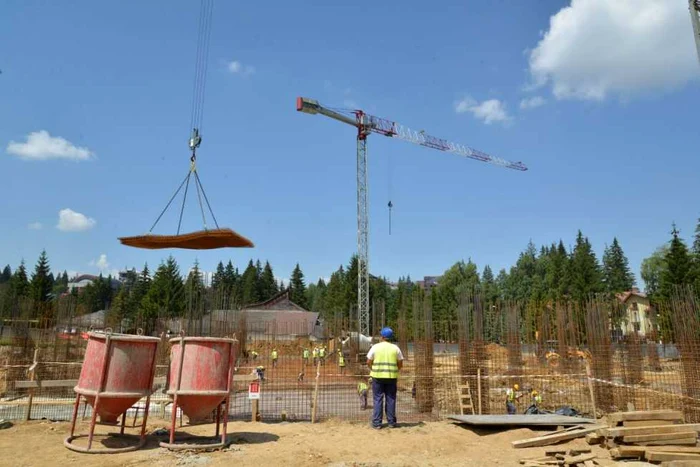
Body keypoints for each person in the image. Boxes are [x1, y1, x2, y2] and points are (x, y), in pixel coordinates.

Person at [367, 327, 403, 429]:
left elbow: (368, 362)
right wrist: (394, 370)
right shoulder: (395, 348)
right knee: (391, 399)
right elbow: (400, 363)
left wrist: (373, 369)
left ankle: (377, 423)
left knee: (378, 399)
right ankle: (391, 422)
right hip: (391, 377)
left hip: (377, 377)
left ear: (382, 336)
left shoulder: (375, 347)